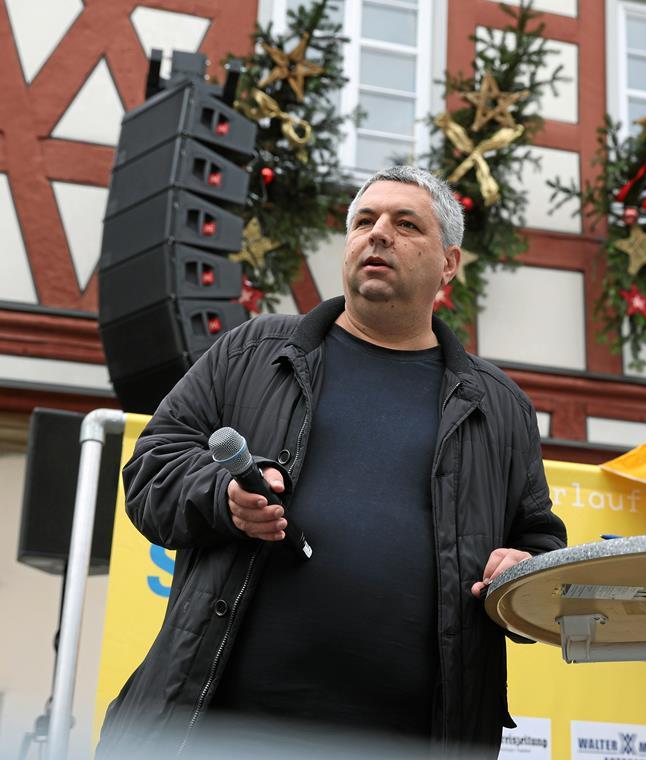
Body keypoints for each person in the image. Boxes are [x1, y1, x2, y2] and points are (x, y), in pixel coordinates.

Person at [96, 165, 567, 758]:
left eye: (405, 224)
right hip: (221, 730)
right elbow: (151, 470)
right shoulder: (251, 352)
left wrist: (522, 568)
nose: (378, 234)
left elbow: (542, 543)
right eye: (364, 221)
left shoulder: (500, 408)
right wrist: (224, 497)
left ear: (448, 263)